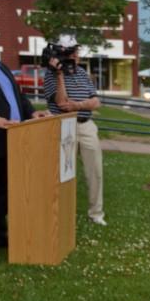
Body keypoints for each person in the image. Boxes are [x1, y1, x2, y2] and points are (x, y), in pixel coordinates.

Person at [43, 34, 106, 226]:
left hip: (86, 126)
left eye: (76, 52)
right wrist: (60, 74)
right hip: (63, 127)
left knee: (95, 172)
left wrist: (78, 105)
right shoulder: (50, 75)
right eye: (73, 52)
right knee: (62, 173)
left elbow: (96, 102)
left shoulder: (82, 73)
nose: (76, 56)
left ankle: (96, 213)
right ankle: (59, 212)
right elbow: (62, 102)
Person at [0, 60, 48, 247]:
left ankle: (1, 236)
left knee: (4, 192)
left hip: (13, 138)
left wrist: (33, 113)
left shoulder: (2, 67)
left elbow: (18, 96)